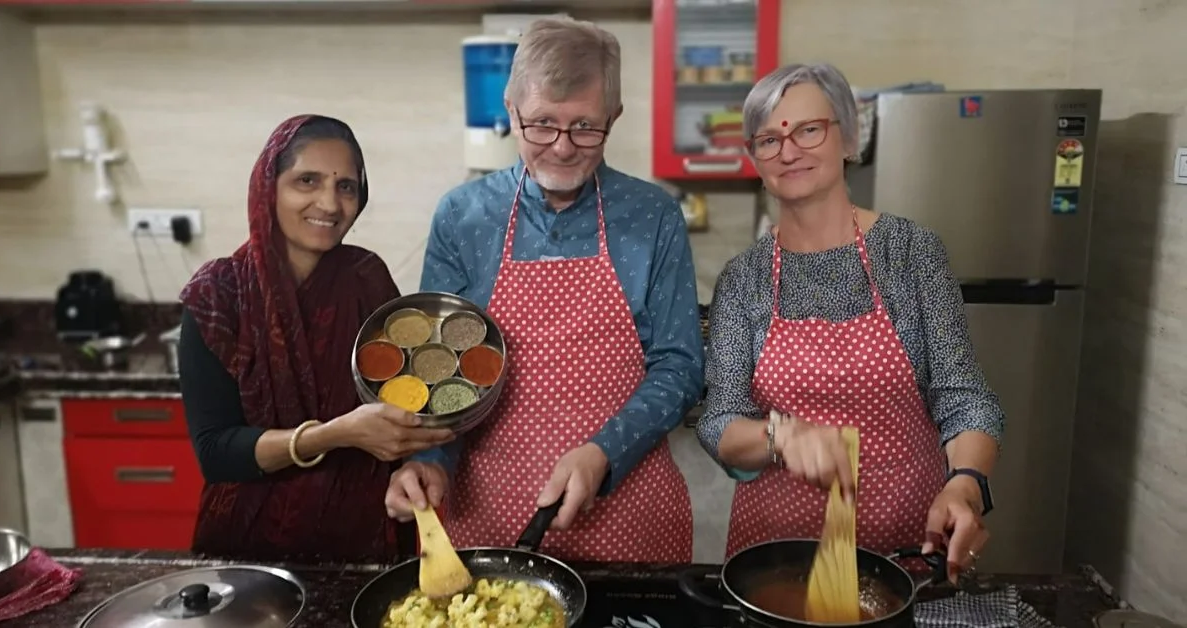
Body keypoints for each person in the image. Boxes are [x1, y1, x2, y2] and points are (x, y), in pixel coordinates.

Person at [383, 18, 703, 563]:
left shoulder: (653, 216)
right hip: (486, 514)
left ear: (614, 118)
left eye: (584, 126)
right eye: (542, 125)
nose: (561, 147)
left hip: (628, 513)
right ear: (510, 111)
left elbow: (680, 366)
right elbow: (439, 374)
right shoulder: (463, 217)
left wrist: (605, 452)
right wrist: (429, 461)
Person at [696, 63, 1004, 581]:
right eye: (769, 139)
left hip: (906, 545)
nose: (789, 151)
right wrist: (782, 436)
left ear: (848, 137)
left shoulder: (912, 252)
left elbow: (963, 395)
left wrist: (966, 484)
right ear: (755, 158)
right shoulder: (743, 277)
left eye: (809, 130)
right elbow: (718, 419)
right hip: (777, 553)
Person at [178, 115, 454, 563]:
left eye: (346, 186)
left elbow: (408, 396)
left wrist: (415, 464)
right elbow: (216, 452)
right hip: (249, 548)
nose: (329, 202)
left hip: (366, 541)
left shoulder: (367, 278)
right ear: (269, 187)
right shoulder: (217, 296)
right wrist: (333, 435)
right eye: (306, 180)